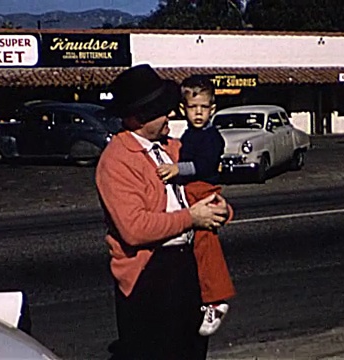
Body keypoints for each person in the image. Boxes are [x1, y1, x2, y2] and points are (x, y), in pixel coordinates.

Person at [95, 64, 234, 360]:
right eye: (162, 110)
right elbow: (134, 228)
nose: (171, 114)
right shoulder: (116, 161)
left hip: (187, 266)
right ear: (140, 118)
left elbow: (201, 183)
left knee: (191, 349)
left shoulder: (173, 147)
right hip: (150, 274)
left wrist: (221, 209)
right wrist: (192, 218)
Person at [155, 75, 236, 337]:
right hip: (191, 192)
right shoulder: (189, 135)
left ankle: (217, 299)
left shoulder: (211, 138)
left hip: (202, 190)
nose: (198, 112)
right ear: (183, 109)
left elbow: (202, 167)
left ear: (213, 108)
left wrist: (177, 169)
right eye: (193, 107)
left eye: (204, 107)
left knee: (205, 245)